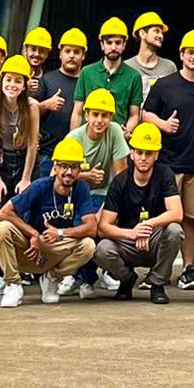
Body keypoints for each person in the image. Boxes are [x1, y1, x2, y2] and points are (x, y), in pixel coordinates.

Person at [142, 28, 194, 291]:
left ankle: (189, 268)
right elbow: (145, 114)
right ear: (181, 55)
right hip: (168, 165)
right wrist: (163, 125)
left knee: (191, 220)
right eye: (190, 53)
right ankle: (156, 271)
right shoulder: (165, 84)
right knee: (162, 219)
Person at [0, 138, 98, 308]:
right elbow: (3, 213)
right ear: (55, 167)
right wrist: (33, 233)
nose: (68, 172)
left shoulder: (81, 188)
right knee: (2, 228)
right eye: (64, 166)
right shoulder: (40, 186)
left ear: (79, 170)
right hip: (30, 247)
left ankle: (52, 277)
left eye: (74, 167)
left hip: (56, 247)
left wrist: (60, 233)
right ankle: (13, 284)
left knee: (89, 245)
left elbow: (91, 228)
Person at [95, 123, 184, 304]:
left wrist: (147, 225)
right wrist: (132, 234)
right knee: (102, 250)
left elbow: (177, 213)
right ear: (132, 153)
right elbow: (103, 227)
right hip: (128, 241)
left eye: (148, 153)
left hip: (154, 239)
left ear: (156, 155)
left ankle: (157, 283)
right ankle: (127, 279)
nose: (143, 158)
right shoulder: (120, 182)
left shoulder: (164, 174)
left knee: (175, 230)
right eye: (139, 152)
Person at [57, 87, 131, 299]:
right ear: (86, 115)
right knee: (81, 227)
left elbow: (121, 178)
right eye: (95, 114)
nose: (100, 120)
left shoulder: (114, 131)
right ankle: (78, 276)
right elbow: (58, 177)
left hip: (105, 194)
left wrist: (104, 210)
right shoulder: (74, 138)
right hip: (75, 195)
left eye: (105, 115)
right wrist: (84, 176)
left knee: (100, 226)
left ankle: (87, 278)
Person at [0, 55, 40, 297]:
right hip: (3, 164)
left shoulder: (32, 106)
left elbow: (33, 144)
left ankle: (23, 270)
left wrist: (26, 179)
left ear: (25, 85)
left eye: (18, 81)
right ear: (2, 80)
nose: (12, 85)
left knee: (26, 216)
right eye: (9, 80)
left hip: (26, 162)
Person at [72, 17, 143, 133]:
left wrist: (127, 132)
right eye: (109, 43)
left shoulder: (134, 76)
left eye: (118, 43)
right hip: (88, 138)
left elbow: (134, 115)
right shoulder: (86, 72)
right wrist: (73, 140)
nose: (113, 47)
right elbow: (77, 113)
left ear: (124, 45)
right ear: (102, 45)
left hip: (117, 138)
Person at [34, 27, 86, 179]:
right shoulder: (47, 79)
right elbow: (29, 113)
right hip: (47, 154)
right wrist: (46, 105)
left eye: (76, 52)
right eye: (67, 51)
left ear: (83, 55)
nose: (71, 55)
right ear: (60, 54)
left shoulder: (88, 81)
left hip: (77, 156)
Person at [126, 11, 177, 102]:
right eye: (156, 31)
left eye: (162, 32)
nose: (161, 36)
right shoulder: (127, 67)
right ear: (142, 33)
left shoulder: (169, 67)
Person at [21, 27, 52, 94]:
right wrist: (23, 88)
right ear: (25, 50)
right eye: (33, 49)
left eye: (41, 51)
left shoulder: (50, 79)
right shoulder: (15, 74)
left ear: (47, 54)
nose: (37, 54)